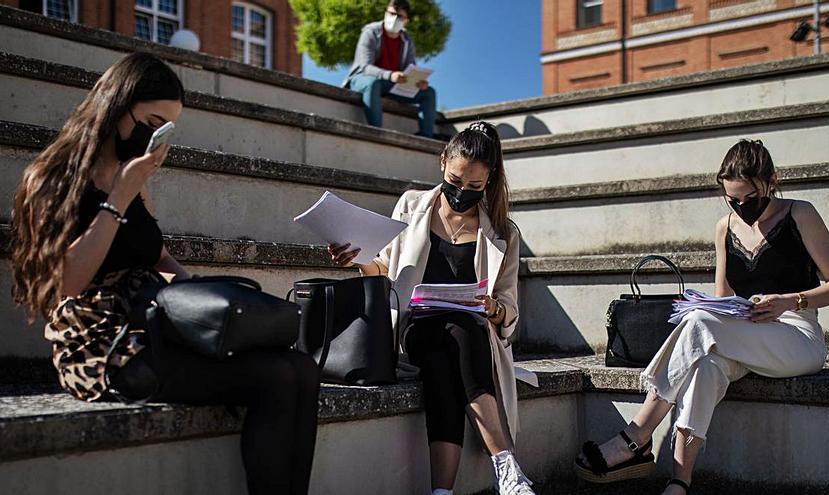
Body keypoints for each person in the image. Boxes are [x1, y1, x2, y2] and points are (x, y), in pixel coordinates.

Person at [9, 52, 320, 495]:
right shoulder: (52, 179)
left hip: (152, 326)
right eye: (151, 121)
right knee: (276, 377)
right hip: (102, 348)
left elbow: (159, 259)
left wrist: (204, 302)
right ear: (116, 108)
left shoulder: (128, 179)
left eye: (165, 128)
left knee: (301, 367)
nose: (154, 137)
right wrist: (119, 196)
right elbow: (67, 284)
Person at [572, 139, 829, 494]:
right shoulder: (725, 227)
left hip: (797, 337)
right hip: (744, 332)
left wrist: (789, 301)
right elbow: (722, 301)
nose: (741, 206)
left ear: (772, 180)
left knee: (701, 325)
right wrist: (728, 309)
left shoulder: (801, 213)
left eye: (749, 198)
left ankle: (638, 433)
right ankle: (679, 482)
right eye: (732, 199)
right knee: (706, 364)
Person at [329, 122, 534, 495]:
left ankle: (441, 491)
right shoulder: (411, 205)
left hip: (468, 334)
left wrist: (492, 308)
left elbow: (509, 309)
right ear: (442, 162)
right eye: (455, 181)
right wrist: (358, 258)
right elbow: (385, 270)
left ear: (489, 181)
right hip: (416, 328)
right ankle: (507, 468)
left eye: (474, 187)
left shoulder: (504, 230)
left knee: (447, 362)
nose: (461, 193)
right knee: (456, 333)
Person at [342, 0, 437, 138]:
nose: (394, 18)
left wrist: (417, 82)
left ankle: (427, 137)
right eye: (391, 13)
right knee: (373, 83)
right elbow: (365, 66)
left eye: (400, 16)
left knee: (428, 93)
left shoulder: (407, 40)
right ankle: (377, 134)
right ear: (385, 13)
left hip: (391, 85)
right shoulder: (370, 32)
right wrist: (389, 75)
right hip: (363, 79)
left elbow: (411, 68)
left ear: (406, 21)